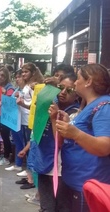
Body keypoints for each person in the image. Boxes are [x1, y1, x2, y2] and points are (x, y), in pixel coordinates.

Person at [54, 64, 110, 212]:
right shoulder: (90, 106)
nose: (76, 82)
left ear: (88, 81)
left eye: (78, 78)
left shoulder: (104, 106)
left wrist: (75, 133)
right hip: (75, 180)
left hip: (86, 182)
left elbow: (105, 146)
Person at [32, 74, 80, 212]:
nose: (63, 92)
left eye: (69, 90)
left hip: (59, 168)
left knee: (59, 206)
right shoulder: (52, 103)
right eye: (60, 88)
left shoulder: (73, 114)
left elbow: (60, 142)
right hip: (45, 162)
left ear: (77, 94)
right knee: (47, 205)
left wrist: (54, 119)